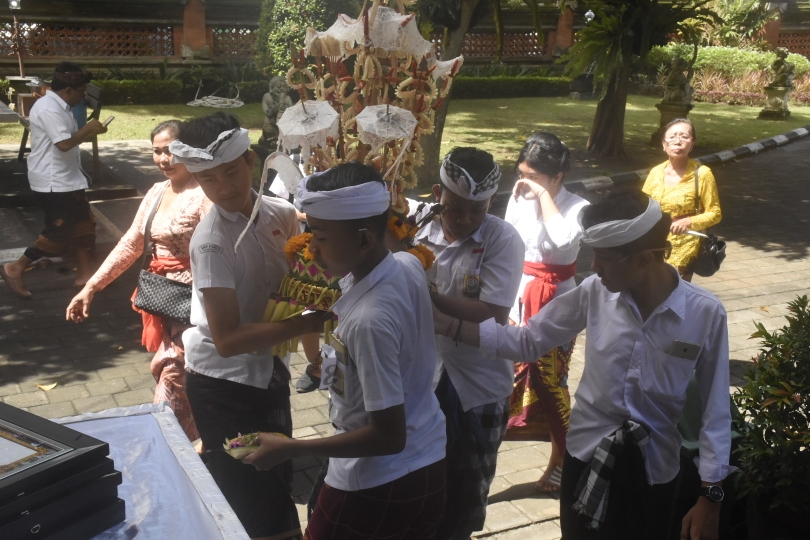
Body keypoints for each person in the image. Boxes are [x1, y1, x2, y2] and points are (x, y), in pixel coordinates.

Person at [434, 189, 735, 540]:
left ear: (643, 259)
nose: (593, 267)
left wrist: (711, 495)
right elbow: (529, 341)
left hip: (655, 469)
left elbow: (715, 410)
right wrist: (449, 326)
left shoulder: (705, 313)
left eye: (604, 258)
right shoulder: (595, 292)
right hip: (586, 455)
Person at [243, 162, 447, 540]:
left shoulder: (368, 321)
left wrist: (291, 448)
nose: (311, 248)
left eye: (320, 237)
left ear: (365, 240)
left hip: (376, 482)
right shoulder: (405, 265)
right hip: (427, 460)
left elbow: (388, 436)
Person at [171, 112, 320, 540]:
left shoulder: (283, 215)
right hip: (224, 390)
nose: (223, 188)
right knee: (250, 494)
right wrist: (309, 322)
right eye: (208, 179)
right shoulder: (211, 241)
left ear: (250, 161)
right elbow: (227, 339)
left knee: (277, 476)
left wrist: (316, 359)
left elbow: (298, 292)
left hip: (269, 372)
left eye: (231, 172)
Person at [66, 120, 211, 441]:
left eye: (171, 151)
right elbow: (131, 242)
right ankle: (199, 443)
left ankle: (171, 443)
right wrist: (92, 286)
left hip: (199, 305)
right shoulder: (157, 191)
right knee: (181, 376)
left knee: (174, 374)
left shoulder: (205, 194)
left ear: (188, 150)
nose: (164, 159)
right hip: (164, 300)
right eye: (157, 152)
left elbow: (222, 251)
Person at [410, 147, 524, 539]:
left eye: (477, 210)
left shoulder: (502, 238)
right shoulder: (413, 228)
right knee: (420, 485)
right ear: (436, 193)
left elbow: (494, 311)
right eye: (455, 208)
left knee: (466, 493)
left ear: (492, 202)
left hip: (477, 383)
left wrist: (428, 297)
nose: (465, 220)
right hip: (422, 376)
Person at [503, 132, 589, 492]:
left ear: (557, 177)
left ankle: (562, 459)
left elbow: (563, 240)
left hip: (558, 302)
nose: (525, 182)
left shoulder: (579, 207)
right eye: (522, 174)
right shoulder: (518, 199)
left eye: (534, 177)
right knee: (507, 377)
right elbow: (508, 243)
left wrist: (542, 196)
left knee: (552, 381)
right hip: (518, 296)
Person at [1, 62, 107, 298]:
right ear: (69, 89)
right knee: (58, 232)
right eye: (82, 91)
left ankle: (85, 274)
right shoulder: (49, 108)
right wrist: (88, 129)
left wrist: (90, 131)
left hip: (69, 178)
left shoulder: (61, 106)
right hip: (53, 182)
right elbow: (64, 144)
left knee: (84, 225)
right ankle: (15, 267)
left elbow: (68, 139)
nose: (83, 96)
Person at [643, 118, 721, 282]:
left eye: (684, 137)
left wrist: (688, 221)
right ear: (664, 144)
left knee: (673, 289)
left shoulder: (702, 174)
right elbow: (642, 206)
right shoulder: (655, 172)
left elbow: (715, 213)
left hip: (685, 244)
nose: (677, 141)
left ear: (692, 144)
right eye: (672, 137)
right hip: (653, 241)